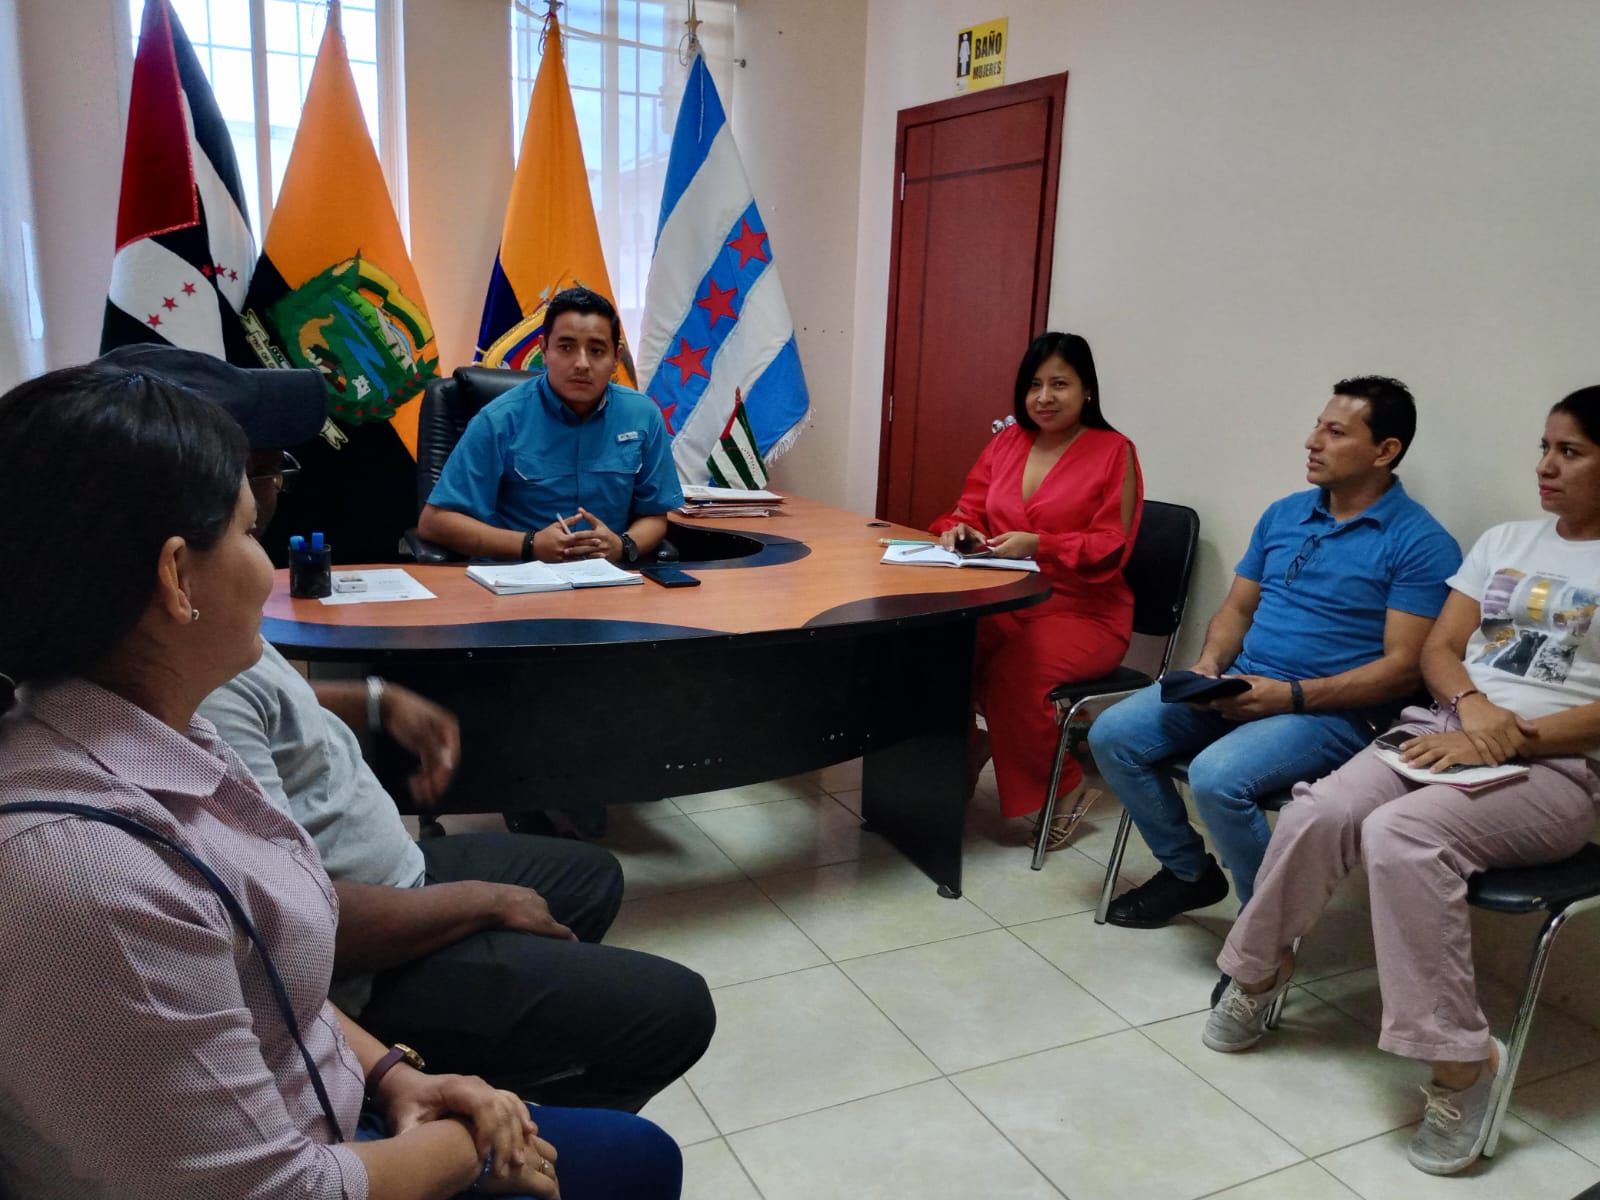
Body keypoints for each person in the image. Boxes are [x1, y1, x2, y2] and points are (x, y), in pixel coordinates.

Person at [0, 358, 682, 1200]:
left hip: (341, 1086)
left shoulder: (155, 728)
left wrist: (397, 1076)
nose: (269, 563)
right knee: (642, 1153)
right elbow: (285, 1188)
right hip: (318, 1153)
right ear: (178, 579)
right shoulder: (90, 881)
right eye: (249, 534)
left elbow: (259, 971)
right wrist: (473, 1140)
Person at [123, 345, 713, 1114]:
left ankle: (509, 1061)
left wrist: (377, 698)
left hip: (386, 867)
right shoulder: (191, 678)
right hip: (360, 965)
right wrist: (481, 903)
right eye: (250, 508)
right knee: (672, 1007)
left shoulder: (194, 629)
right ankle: (508, 1123)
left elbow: (271, 707)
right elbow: (294, 928)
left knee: (591, 876)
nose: (266, 557)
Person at [1204, 386, 1600, 1177]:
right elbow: (1439, 650)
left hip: (1554, 769)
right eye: (1545, 447)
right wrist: (1471, 712)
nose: (1546, 466)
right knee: (1322, 811)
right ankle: (1258, 972)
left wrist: (1501, 738)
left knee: (1402, 833)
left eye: (1571, 452)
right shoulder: (1506, 540)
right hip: (1443, 728)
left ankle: (1460, 1064)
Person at [1088, 377, 1462, 926]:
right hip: (1243, 682)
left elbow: (1403, 670)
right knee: (1112, 735)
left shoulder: (1421, 543)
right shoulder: (1285, 514)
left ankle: (1263, 933)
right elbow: (1237, 610)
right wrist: (1209, 667)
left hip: (1333, 713)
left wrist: (1290, 696)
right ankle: (1189, 874)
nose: (1313, 442)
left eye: (1336, 432)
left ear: (1385, 451)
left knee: (1218, 778)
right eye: (1317, 426)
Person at [928, 332, 1143, 841]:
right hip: (1006, 600)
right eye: (1034, 385)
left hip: (1084, 612)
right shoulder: (1006, 442)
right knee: (938, 651)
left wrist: (1042, 544)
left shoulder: (1114, 451)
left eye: (1059, 384)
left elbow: (1112, 546)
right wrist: (958, 529)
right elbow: (966, 508)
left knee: (1014, 678)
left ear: (1087, 390)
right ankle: (971, 748)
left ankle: (1067, 786)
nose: (1044, 397)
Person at [418, 286, 683, 567]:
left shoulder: (643, 416)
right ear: (544, 350)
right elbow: (436, 522)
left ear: (616, 358)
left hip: (610, 577)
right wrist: (530, 544)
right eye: (566, 347)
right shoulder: (499, 419)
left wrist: (622, 545)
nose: (582, 364)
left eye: (596, 350)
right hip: (518, 576)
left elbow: (655, 515)